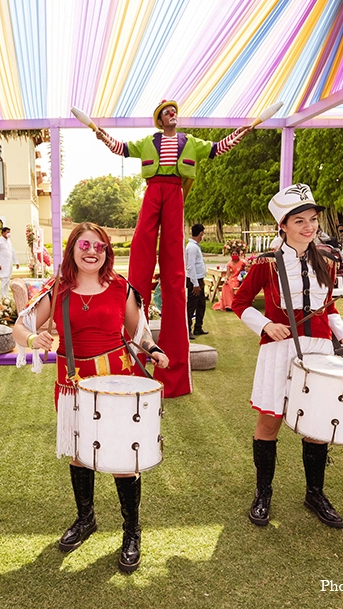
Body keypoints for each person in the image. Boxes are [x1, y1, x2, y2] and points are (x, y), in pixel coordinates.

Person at [12, 222, 169, 573]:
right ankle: (86, 519)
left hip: (118, 384)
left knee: (123, 457)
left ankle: (132, 531)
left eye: (99, 246)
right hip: (74, 385)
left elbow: (138, 332)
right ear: (72, 250)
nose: (91, 251)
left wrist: (154, 350)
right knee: (80, 454)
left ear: (106, 252)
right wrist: (31, 339)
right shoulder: (58, 290)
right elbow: (20, 327)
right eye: (84, 245)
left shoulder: (120, 287)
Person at [92, 100, 252, 398]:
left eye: (174, 111)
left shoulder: (190, 142)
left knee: (174, 271)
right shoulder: (148, 142)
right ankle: (131, 364)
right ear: (159, 119)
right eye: (167, 112)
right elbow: (122, 148)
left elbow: (217, 148)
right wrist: (103, 136)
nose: (172, 114)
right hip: (154, 191)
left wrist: (238, 134)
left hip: (174, 192)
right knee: (141, 254)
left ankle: (173, 374)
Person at [232, 184, 343, 529]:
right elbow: (239, 302)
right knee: (269, 422)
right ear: (283, 226)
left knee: (316, 425)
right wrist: (265, 325)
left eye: (313, 220)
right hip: (279, 350)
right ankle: (263, 492)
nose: (309, 227)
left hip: (319, 350)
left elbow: (329, 306)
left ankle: (314, 493)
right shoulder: (266, 263)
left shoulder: (328, 260)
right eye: (299, 220)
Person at [185, 223, 207, 339]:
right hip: (194, 280)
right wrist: (195, 284)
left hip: (199, 278)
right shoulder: (192, 247)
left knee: (201, 304)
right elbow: (190, 266)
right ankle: (188, 329)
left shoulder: (194, 246)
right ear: (201, 233)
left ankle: (198, 327)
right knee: (192, 306)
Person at [0, 226, 19, 298]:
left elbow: (12, 251)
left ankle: (6, 295)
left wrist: (16, 262)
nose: (9, 234)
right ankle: (2, 296)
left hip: (9, 263)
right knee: (4, 279)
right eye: (7, 232)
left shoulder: (9, 241)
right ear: (3, 233)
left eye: (9, 232)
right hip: (2, 263)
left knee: (7, 279)